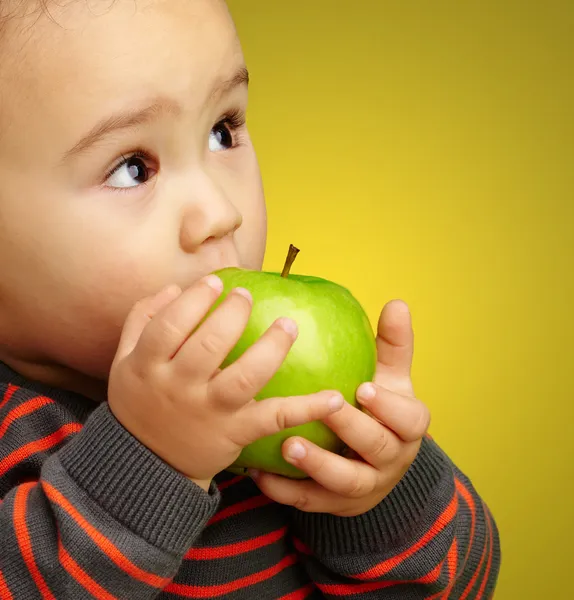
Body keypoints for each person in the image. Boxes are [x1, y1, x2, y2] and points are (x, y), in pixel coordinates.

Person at [0, 0, 500, 597]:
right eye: (133, 167)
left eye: (223, 131)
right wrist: (148, 462)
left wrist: (377, 495)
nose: (220, 213)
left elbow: (467, 584)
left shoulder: (283, 396)